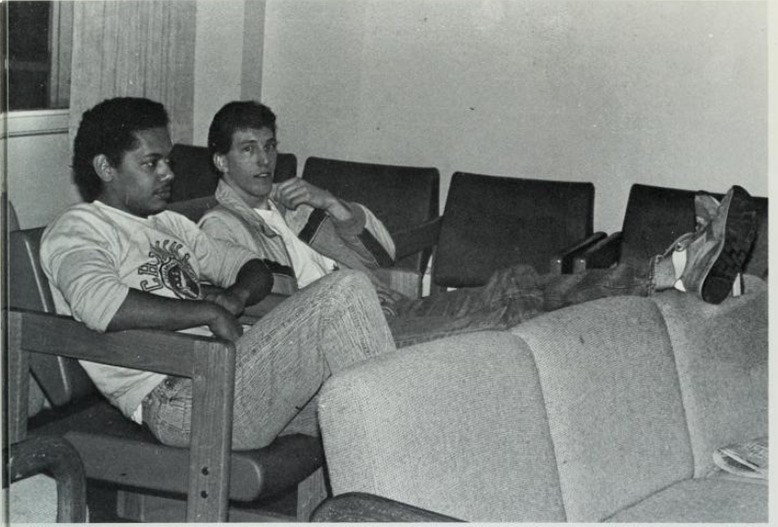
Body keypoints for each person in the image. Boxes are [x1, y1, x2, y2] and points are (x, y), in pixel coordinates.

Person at [199, 100, 758, 347]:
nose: (265, 160)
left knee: (515, 283)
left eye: (269, 146)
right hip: (346, 332)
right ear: (222, 161)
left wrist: (338, 210)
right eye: (249, 150)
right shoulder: (221, 229)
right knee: (513, 300)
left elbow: (380, 261)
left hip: (383, 306)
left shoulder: (294, 205)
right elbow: (265, 306)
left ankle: (685, 270)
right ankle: (674, 269)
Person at [40, 97, 397, 454]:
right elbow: (102, 305)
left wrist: (235, 297)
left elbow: (251, 267)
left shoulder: (169, 223)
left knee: (365, 403)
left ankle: (388, 487)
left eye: (168, 160)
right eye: (151, 163)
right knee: (345, 290)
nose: (168, 173)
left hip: (224, 373)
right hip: (179, 397)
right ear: (105, 167)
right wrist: (209, 312)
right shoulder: (78, 227)